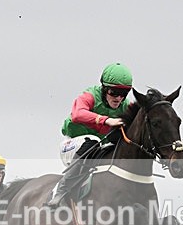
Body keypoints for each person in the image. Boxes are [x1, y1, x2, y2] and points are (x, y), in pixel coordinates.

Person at [47, 62, 133, 208]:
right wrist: (106, 120)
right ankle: (61, 189)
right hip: (72, 146)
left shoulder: (126, 105)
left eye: (123, 93)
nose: (118, 98)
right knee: (92, 141)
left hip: (98, 148)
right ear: (104, 89)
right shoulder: (90, 95)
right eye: (114, 92)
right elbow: (77, 114)